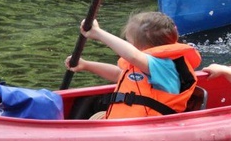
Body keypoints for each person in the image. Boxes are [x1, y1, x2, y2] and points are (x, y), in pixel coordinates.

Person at [65, 11, 200, 119]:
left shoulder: (166, 67)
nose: (127, 46)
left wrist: (98, 33)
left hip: (147, 129)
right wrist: (86, 65)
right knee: (89, 111)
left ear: (140, 47)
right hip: (121, 124)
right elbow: (119, 74)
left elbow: (133, 55)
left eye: (129, 42)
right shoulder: (146, 66)